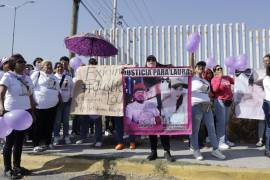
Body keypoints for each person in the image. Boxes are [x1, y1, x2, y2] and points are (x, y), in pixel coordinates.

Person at [0, 54, 34, 178]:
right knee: (9, 143)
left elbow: (30, 96)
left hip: (24, 113)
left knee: (19, 142)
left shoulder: (27, 78)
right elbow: (1, 94)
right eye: (20, 61)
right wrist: (1, 107)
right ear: (14, 64)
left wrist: (32, 112)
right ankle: (7, 169)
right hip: (11, 113)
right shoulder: (7, 76)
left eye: (24, 61)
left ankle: (17, 166)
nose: (24, 63)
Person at [191, 61, 226, 161]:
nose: (201, 67)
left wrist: (210, 102)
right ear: (195, 68)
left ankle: (215, 149)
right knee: (195, 130)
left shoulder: (206, 81)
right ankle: (196, 150)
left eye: (203, 66)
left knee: (211, 128)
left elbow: (208, 93)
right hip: (196, 106)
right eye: (199, 66)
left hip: (207, 106)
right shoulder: (191, 79)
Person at [143, 55, 175, 162]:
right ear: (146, 62)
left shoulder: (161, 69)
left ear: (156, 62)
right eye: (149, 60)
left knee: (163, 127)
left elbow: (171, 67)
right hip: (150, 102)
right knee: (152, 128)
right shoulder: (141, 71)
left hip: (163, 102)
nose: (151, 61)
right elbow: (130, 71)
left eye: (153, 60)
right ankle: (153, 152)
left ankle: (167, 152)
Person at [31, 61, 62, 152]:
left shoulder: (54, 77)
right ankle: (36, 144)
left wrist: (60, 100)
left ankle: (48, 143)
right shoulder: (37, 75)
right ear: (42, 67)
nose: (48, 66)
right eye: (46, 65)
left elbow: (58, 90)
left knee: (49, 125)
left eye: (50, 65)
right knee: (38, 126)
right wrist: (32, 102)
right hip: (39, 106)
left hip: (52, 106)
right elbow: (30, 88)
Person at [211, 65, 235, 149]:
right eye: (218, 69)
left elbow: (234, 81)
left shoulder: (227, 77)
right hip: (220, 101)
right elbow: (215, 89)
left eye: (221, 68)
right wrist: (219, 78)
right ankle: (220, 142)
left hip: (228, 101)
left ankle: (225, 140)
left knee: (226, 122)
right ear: (214, 72)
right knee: (221, 122)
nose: (220, 70)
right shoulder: (214, 79)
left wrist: (236, 74)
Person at [53, 62, 74, 145]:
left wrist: (70, 98)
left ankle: (66, 136)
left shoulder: (68, 78)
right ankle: (56, 137)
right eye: (58, 67)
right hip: (57, 103)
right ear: (55, 68)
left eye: (61, 67)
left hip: (66, 102)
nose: (60, 68)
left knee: (66, 121)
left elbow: (72, 88)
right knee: (57, 121)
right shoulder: (53, 77)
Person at [263, 64, 270, 158]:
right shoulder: (267, 79)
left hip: (266, 103)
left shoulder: (265, 78)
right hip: (268, 103)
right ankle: (268, 149)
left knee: (268, 127)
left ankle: (267, 149)